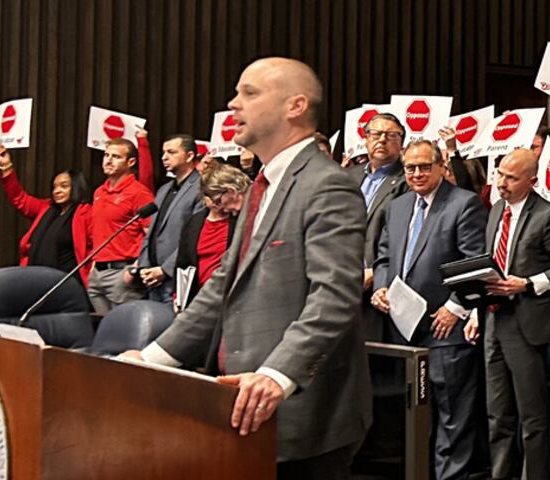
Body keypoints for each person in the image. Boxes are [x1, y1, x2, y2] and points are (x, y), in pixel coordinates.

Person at [122, 57, 371, 479]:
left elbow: (334, 295)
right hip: (242, 409)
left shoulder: (326, 184)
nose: (233, 103)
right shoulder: (260, 184)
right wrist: (151, 359)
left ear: (295, 106)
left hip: (302, 417)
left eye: (249, 93)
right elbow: (223, 285)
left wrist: (278, 374)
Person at [372, 139, 486, 479]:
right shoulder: (398, 205)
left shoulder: (464, 204)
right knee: (414, 415)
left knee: (453, 414)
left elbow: (474, 262)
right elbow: (384, 255)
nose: (417, 174)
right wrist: (380, 285)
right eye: (410, 168)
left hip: (444, 327)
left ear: (441, 166)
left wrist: (456, 306)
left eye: (424, 167)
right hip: (403, 329)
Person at [483, 148, 550, 479]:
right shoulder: (497, 210)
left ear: (532, 180)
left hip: (527, 321)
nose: (501, 183)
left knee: (531, 416)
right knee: (497, 413)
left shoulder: (548, 215)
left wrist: (527, 283)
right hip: (494, 317)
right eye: (499, 174)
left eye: (511, 177)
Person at [347, 112, 409, 340]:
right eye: (376, 134)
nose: (382, 140)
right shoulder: (347, 176)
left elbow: (404, 237)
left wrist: (375, 272)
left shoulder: (407, 181)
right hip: (341, 281)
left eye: (391, 135)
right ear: (365, 139)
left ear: (402, 142)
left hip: (377, 283)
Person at [0, 144, 93, 285]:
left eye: (64, 186)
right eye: (54, 187)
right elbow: (19, 199)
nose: (57, 191)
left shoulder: (86, 212)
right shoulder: (46, 207)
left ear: (76, 187)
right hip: (36, 278)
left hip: (68, 282)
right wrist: (6, 166)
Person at [130, 134, 203, 303]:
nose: (164, 157)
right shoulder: (164, 189)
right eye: (163, 152)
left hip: (176, 278)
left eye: (171, 152)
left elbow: (194, 237)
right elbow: (152, 231)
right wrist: (144, 267)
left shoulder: (201, 187)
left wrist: (165, 270)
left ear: (190, 156)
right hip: (152, 279)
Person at [88, 137, 155, 314]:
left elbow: (152, 236)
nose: (108, 160)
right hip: (97, 273)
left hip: (122, 273)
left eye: (116, 156)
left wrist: (134, 270)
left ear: (130, 162)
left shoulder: (139, 193)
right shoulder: (99, 191)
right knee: (103, 332)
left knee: (122, 334)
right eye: (106, 155)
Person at [174, 162, 250, 310]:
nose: (220, 206)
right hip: (199, 298)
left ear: (231, 191)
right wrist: (178, 295)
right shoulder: (195, 221)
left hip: (232, 300)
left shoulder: (245, 219)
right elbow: (183, 261)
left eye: (218, 200)